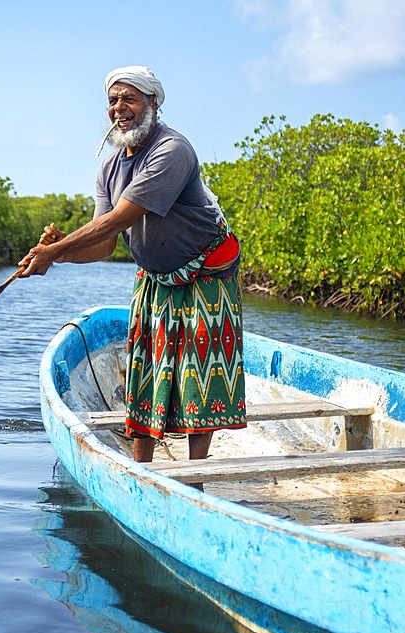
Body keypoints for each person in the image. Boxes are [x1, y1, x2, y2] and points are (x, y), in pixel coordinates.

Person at [19, 65, 246, 467]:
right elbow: (104, 244)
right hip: (155, 279)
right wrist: (59, 253)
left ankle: (195, 476)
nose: (119, 108)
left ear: (152, 103)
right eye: (112, 100)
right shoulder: (108, 167)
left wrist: (56, 251)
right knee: (144, 375)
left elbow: (124, 216)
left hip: (205, 274)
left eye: (130, 99)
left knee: (200, 376)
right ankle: (142, 470)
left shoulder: (172, 150)